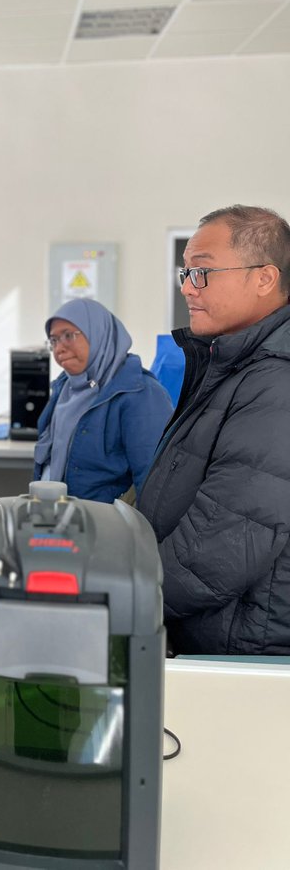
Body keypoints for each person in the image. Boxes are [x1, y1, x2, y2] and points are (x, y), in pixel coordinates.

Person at [138, 205, 290, 656]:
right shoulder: (236, 366)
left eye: (202, 273)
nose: (187, 287)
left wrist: (121, 599)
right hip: (208, 633)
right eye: (185, 273)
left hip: (239, 651)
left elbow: (217, 552)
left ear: (264, 278)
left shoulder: (277, 383)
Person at [33, 298, 172, 504]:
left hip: (104, 520)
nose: (59, 348)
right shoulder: (64, 388)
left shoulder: (141, 393)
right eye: (53, 340)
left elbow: (154, 483)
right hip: (56, 513)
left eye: (68, 336)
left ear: (98, 334)